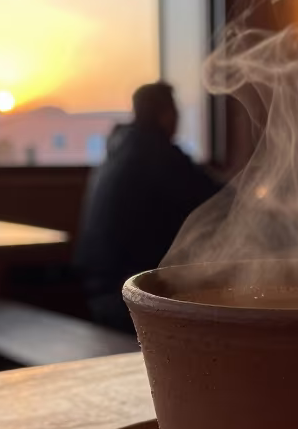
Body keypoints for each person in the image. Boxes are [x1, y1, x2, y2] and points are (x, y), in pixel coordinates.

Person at [75, 82, 221, 331]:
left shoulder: (120, 149)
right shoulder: (158, 155)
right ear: (166, 114)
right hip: (128, 298)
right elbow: (221, 201)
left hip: (94, 289)